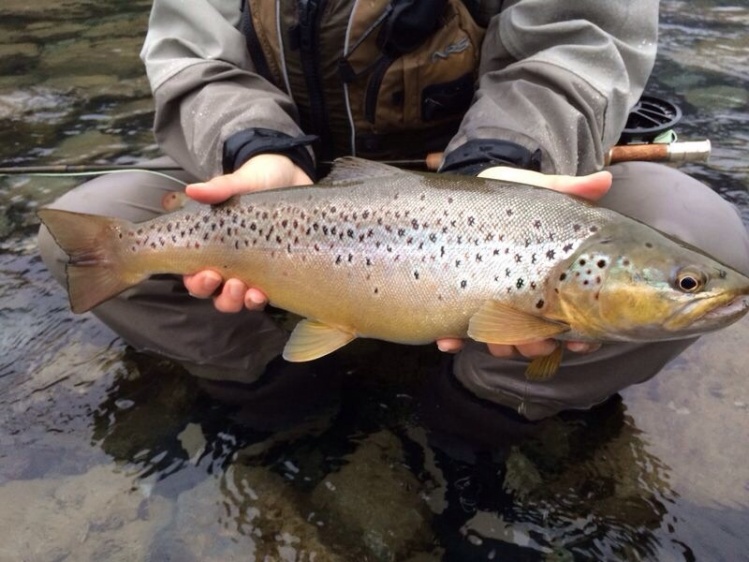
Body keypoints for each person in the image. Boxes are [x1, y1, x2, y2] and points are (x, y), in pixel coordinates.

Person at [38, 0, 749, 420]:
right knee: (89, 228)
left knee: (708, 233)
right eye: (685, 286)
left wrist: (511, 160)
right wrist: (250, 148)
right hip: (286, 175)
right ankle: (268, 384)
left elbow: (577, 41)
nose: (696, 290)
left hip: (499, 172)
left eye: (683, 286)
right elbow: (193, 57)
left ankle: (488, 407)